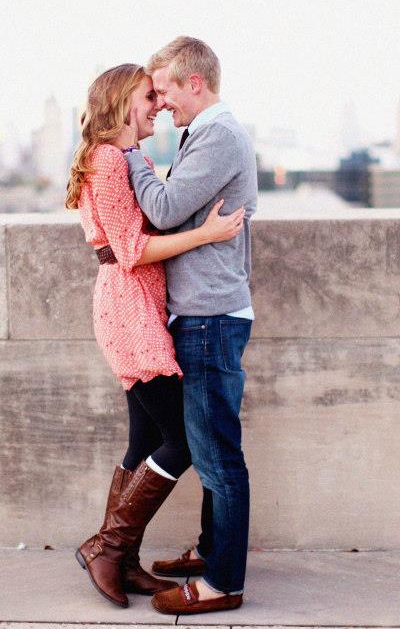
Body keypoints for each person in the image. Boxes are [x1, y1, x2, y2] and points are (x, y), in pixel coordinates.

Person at [65, 63, 245, 609]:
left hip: (139, 306)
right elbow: (132, 251)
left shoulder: (123, 158)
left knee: (144, 442)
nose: (157, 107)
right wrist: (208, 234)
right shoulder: (106, 159)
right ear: (123, 104)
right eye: (149, 97)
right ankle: (106, 545)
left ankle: (122, 560)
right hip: (129, 311)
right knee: (183, 440)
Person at [120, 37, 258, 615]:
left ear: (194, 82)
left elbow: (165, 209)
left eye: (167, 89)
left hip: (210, 319)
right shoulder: (207, 134)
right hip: (203, 315)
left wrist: (129, 156)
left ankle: (223, 583)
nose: (163, 103)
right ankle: (210, 551)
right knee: (205, 447)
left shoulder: (219, 135)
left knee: (218, 455)